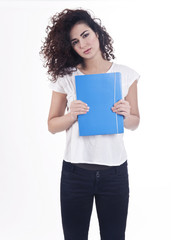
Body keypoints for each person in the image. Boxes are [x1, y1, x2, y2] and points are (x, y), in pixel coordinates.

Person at [39, 8, 140, 240]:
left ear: (97, 33)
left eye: (85, 35)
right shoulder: (66, 77)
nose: (83, 44)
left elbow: (135, 123)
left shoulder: (126, 75)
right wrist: (71, 115)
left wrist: (126, 114)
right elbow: (52, 125)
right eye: (75, 41)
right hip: (75, 173)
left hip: (114, 174)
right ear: (71, 47)